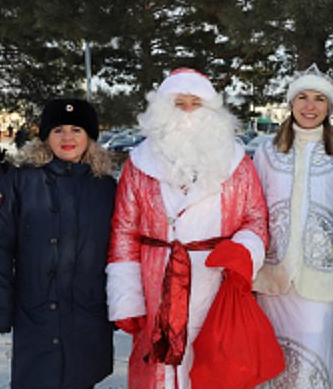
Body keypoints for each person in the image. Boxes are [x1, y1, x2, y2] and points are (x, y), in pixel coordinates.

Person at [105, 68, 270, 389]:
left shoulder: (237, 163)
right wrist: (127, 298)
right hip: (157, 284)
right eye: (179, 103)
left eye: (197, 103)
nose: (189, 111)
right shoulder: (138, 164)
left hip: (215, 282)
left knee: (214, 366)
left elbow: (256, 217)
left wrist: (244, 250)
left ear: (212, 110)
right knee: (159, 370)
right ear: (162, 108)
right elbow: (124, 231)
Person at [0, 98, 116, 389]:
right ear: (45, 137)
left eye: (76, 129)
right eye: (59, 130)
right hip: (36, 312)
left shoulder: (105, 186)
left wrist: (121, 304)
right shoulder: (20, 180)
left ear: (89, 136)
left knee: (81, 378)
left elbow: (121, 250)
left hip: (87, 313)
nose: (68, 137)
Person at [252, 64, 333, 388]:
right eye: (302, 97)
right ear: (291, 103)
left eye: (318, 99)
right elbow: (254, 217)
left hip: (322, 286)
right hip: (273, 283)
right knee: (273, 366)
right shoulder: (266, 154)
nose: (309, 106)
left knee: (313, 367)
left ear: (329, 107)